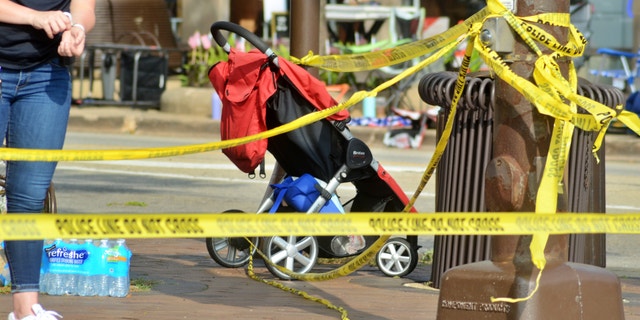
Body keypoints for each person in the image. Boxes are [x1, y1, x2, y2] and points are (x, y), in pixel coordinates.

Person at [0, 1, 95, 319]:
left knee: (29, 197)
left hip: (46, 76)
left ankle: (25, 311)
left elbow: (84, 9)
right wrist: (35, 18)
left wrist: (77, 30)